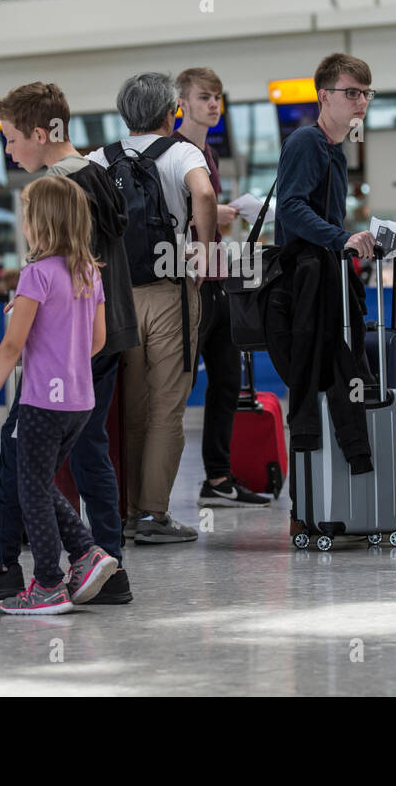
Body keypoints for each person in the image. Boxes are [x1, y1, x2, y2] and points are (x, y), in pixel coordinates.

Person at [0, 81, 137, 605]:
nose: (9, 151)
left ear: (38, 133)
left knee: (21, 457)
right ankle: (104, 565)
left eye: (11, 140)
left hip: (61, 361)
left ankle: (21, 566)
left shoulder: (58, 187)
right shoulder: (97, 173)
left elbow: (49, 289)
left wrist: (31, 305)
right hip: (99, 341)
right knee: (86, 455)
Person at [276, 52, 396, 542]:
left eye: (366, 94)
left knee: (353, 388)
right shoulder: (309, 142)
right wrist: (340, 240)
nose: (361, 102)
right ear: (323, 95)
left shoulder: (334, 149)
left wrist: (359, 237)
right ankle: (323, 508)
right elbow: (289, 209)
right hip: (311, 295)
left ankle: (371, 504)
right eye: (351, 92)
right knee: (333, 389)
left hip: (329, 287)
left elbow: (315, 217)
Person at [0, 175, 118, 615]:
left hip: (41, 402)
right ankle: (87, 555)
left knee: (31, 486)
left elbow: (12, 346)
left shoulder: (35, 274)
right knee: (37, 482)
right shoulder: (90, 272)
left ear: (40, 222)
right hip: (79, 401)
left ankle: (50, 584)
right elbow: (98, 340)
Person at [85, 72, 217, 545]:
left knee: (131, 408)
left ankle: (124, 510)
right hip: (170, 293)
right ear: (171, 112)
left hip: (116, 298)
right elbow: (202, 193)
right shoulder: (182, 152)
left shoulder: (101, 157)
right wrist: (202, 252)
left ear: (124, 115)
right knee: (167, 408)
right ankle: (152, 514)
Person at [175, 67, 269, 508]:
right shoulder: (174, 152)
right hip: (188, 284)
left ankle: (217, 478)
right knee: (179, 383)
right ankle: (146, 492)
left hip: (217, 280)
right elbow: (177, 218)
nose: (213, 104)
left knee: (228, 379)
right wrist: (222, 212)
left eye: (217, 97)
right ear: (183, 102)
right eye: (204, 97)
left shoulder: (208, 154)